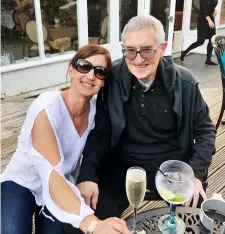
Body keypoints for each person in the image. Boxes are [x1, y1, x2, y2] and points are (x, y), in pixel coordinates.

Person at [75, 15, 216, 223]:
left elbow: (205, 131)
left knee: (195, 222)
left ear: (162, 48)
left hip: (174, 169)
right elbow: (101, 133)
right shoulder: (111, 80)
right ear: (123, 48)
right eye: (130, 50)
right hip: (121, 168)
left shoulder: (184, 83)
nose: (138, 59)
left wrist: (194, 173)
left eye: (147, 50)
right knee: (86, 218)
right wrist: (87, 174)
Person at [0, 44, 130, 234]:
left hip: (62, 186)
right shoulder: (46, 107)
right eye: (84, 66)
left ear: (103, 81)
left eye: (100, 71)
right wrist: (92, 224)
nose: (91, 75)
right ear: (71, 69)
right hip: (23, 183)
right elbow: (52, 174)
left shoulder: (97, 112)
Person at [180, 0, 218, 65]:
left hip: (210, 18)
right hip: (204, 19)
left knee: (212, 39)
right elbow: (203, 9)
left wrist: (214, 9)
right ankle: (184, 52)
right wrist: (209, 21)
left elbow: (210, 5)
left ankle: (208, 60)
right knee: (200, 41)